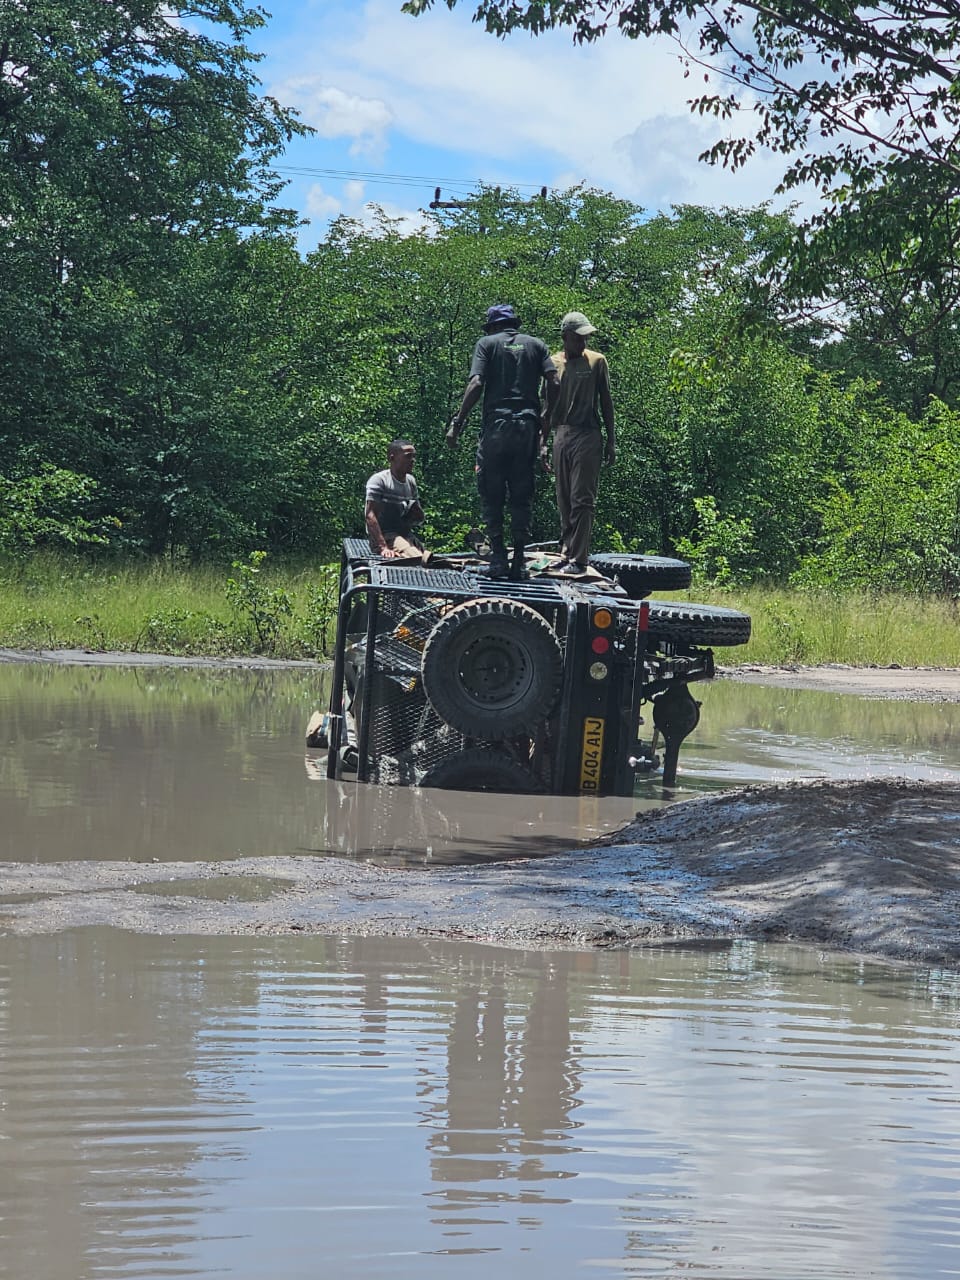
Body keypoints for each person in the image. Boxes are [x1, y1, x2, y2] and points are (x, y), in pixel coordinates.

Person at [447, 304, 560, 579]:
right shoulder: (536, 345)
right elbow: (554, 382)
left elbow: (476, 384)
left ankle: (498, 558)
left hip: (497, 428)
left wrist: (458, 422)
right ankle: (519, 560)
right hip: (526, 429)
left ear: (493, 326)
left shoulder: (486, 344)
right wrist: (544, 416)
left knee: (492, 491)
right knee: (522, 495)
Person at [545, 311, 616, 576]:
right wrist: (542, 442)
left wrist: (611, 440)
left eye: (586, 338)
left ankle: (579, 558)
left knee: (582, 499)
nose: (583, 344)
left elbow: (606, 402)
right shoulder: (551, 363)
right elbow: (545, 406)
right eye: (578, 338)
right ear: (565, 337)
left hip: (588, 434)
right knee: (563, 498)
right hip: (561, 433)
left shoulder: (597, 361)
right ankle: (566, 551)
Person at [364, 439, 426, 559]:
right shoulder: (379, 480)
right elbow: (370, 515)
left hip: (405, 535)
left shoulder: (411, 481)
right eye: (408, 456)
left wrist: (416, 515)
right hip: (385, 536)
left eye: (414, 456)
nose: (412, 460)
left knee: (430, 558)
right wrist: (383, 547)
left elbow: (418, 517)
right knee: (417, 558)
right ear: (392, 458)